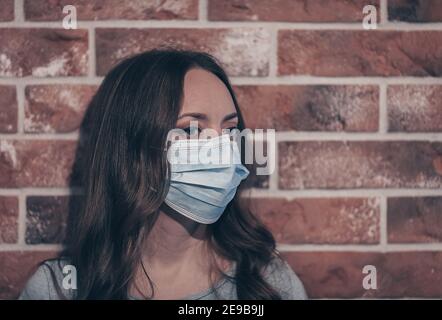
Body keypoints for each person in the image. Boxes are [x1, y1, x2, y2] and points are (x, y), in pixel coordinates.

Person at [19, 49, 307, 300]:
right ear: (132, 146)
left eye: (230, 131)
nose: (222, 150)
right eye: (191, 130)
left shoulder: (268, 283)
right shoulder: (58, 290)